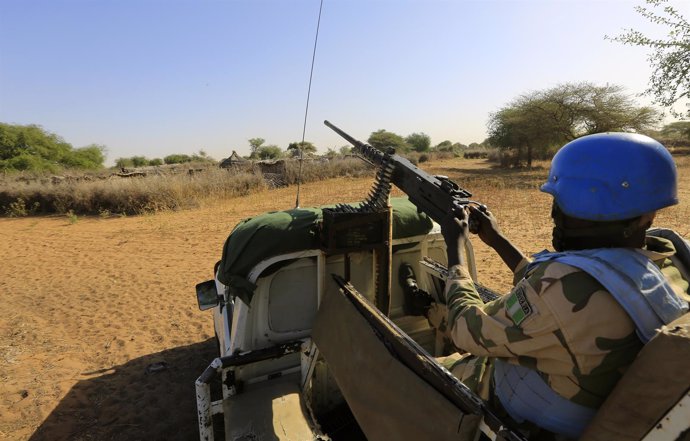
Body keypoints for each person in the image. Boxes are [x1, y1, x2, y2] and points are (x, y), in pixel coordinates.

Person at [424, 132, 690, 439]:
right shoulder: (672, 259)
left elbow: (463, 327)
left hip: (508, 406)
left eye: (568, 208)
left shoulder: (557, 292)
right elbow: (584, 286)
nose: (556, 218)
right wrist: (497, 241)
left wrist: (455, 249)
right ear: (649, 214)